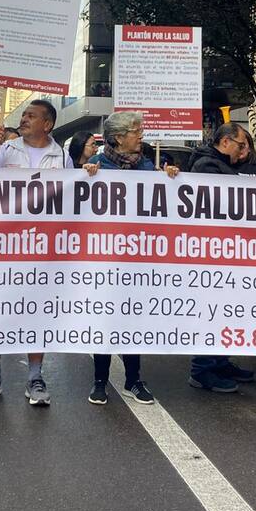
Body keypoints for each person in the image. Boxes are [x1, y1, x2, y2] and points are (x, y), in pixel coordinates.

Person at [0, 99, 71, 406]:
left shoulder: (62, 156)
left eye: (31, 116)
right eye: (23, 115)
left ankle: (35, 376)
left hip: (43, 248)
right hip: (5, 245)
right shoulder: (6, 151)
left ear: (48, 124)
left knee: (37, 311)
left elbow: (73, 198)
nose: (24, 119)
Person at [84, 111, 177, 406]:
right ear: (118, 138)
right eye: (136, 131)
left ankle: (133, 380)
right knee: (104, 318)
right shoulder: (96, 166)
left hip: (137, 258)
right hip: (104, 257)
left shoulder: (148, 167)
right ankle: (100, 381)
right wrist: (84, 175)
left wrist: (170, 178)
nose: (141, 136)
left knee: (133, 319)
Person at [188, 122, 256, 392]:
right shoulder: (207, 166)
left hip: (225, 251)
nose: (243, 152)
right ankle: (202, 369)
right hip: (211, 252)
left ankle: (219, 360)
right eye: (241, 145)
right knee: (211, 310)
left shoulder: (220, 163)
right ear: (226, 142)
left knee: (225, 310)